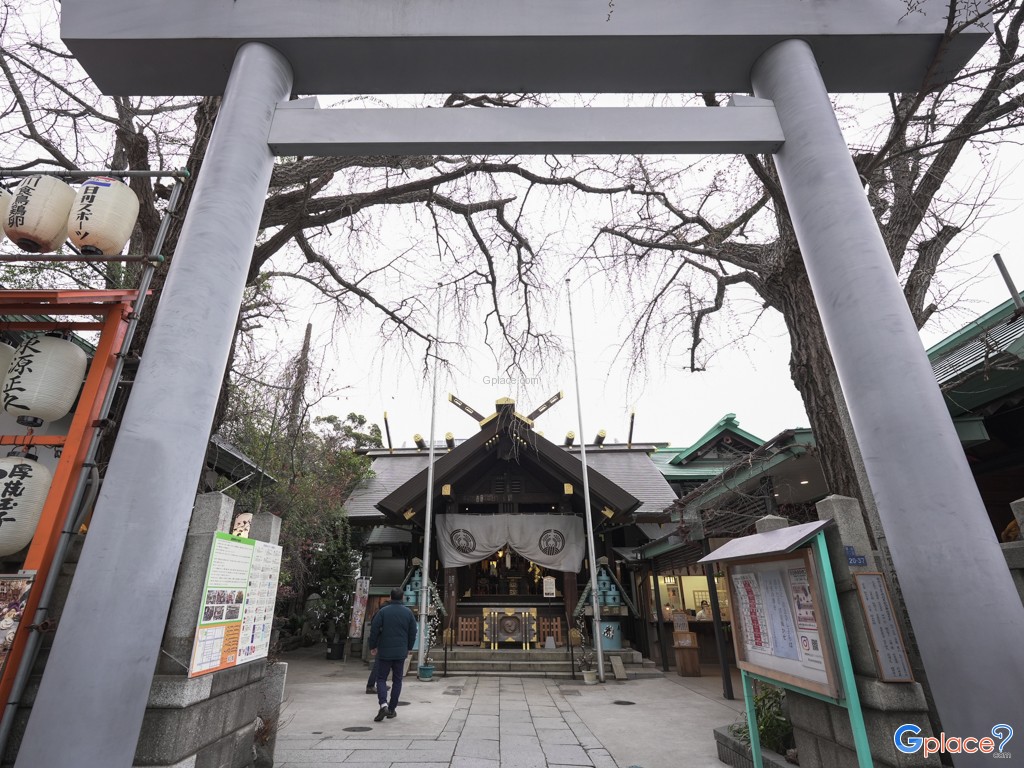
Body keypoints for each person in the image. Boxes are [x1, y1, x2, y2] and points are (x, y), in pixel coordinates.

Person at [367, 587, 417, 722]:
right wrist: (409, 648)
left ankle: (383, 705)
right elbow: (413, 632)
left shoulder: (382, 612)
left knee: (381, 678)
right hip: (401, 652)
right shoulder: (408, 613)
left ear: (390, 597)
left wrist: (373, 646)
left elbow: (374, 630)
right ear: (402, 597)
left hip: (384, 651)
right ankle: (392, 708)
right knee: (397, 680)